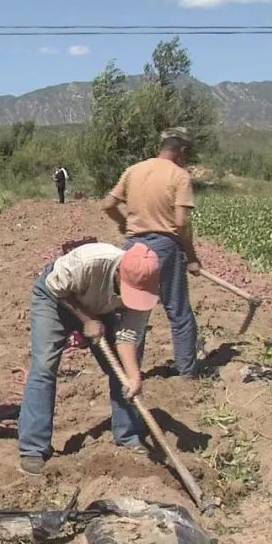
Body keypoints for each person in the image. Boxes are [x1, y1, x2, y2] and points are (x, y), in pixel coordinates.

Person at [17, 241, 163, 476]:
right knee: (44, 367)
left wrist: (134, 378)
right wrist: (86, 319)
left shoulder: (146, 289)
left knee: (122, 375)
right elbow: (56, 286)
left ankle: (127, 435)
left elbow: (127, 336)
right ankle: (33, 448)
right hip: (56, 297)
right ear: (118, 274)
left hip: (99, 308)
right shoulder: (90, 261)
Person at [101, 127, 202, 380]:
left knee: (134, 311)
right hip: (165, 247)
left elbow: (108, 205)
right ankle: (187, 371)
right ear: (181, 151)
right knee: (178, 311)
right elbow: (180, 223)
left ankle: (130, 372)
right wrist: (191, 257)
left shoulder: (134, 170)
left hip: (133, 247)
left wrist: (124, 224)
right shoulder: (179, 176)